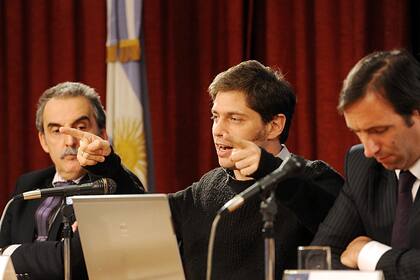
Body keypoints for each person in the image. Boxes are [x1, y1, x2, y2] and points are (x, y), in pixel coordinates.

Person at [169, 60, 343, 279]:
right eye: (215, 117)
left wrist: (270, 170)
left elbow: (340, 227)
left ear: (274, 126)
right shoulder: (207, 186)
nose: (218, 130)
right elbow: (143, 219)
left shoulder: (315, 178)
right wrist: (114, 173)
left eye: (234, 118)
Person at [0, 82, 145, 279]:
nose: (69, 141)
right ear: (43, 140)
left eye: (80, 127)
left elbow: (73, 260)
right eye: (56, 130)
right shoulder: (27, 185)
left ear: (102, 134)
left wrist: (9, 253)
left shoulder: (112, 184)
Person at [312, 50, 420, 280]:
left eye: (378, 131)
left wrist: (368, 254)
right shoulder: (362, 165)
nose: (369, 149)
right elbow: (322, 258)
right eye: (358, 132)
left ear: (416, 114)